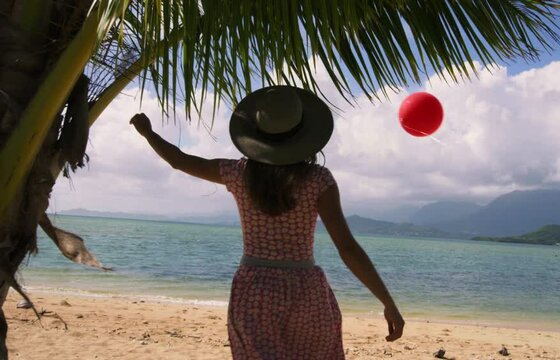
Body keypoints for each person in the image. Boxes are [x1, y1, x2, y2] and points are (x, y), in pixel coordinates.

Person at [130, 85, 404, 359]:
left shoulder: (238, 173)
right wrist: (387, 302)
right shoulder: (318, 180)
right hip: (307, 292)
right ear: (305, 134)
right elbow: (347, 248)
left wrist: (148, 133)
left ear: (256, 134)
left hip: (255, 291)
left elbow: (180, 161)